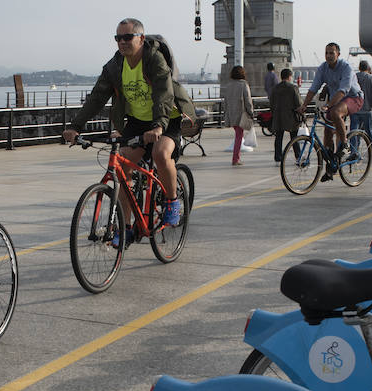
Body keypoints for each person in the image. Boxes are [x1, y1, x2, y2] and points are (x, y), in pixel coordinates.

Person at [62, 19, 195, 237]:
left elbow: (163, 93)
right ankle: (125, 226)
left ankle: (172, 202)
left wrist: (159, 126)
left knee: (160, 153)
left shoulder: (154, 60)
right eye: (117, 38)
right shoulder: (115, 66)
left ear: (141, 38)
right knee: (121, 166)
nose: (122, 42)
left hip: (167, 118)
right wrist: (75, 126)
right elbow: (96, 98)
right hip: (137, 121)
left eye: (127, 37)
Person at [302, 42, 361, 181]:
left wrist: (329, 105)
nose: (328, 56)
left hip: (353, 98)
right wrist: (303, 105)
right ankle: (331, 166)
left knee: (334, 113)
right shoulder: (323, 68)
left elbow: (343, 90)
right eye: (326, 53)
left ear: (338, 54)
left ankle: (345, 145)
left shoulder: (346, 68)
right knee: (327, 131)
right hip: (336, 101)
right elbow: (314, 87)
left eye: (331, 53)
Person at [269, 68, 302, 161]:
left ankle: (278, 156)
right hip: (290, 116)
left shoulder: (275, 88)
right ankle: (298, 155)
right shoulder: (293, 88)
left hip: (278, 116)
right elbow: (298, 102)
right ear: (289, 76)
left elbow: (271, 102)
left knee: (278, 137)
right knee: (294, 137)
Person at [226, 67, 256, 166]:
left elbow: (226, 101)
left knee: (238, 135)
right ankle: (235, 159)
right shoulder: (243, 84)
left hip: (231, 114)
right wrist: (251, 112)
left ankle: (236, 158)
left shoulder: (229, 85)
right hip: (241, 114)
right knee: (239, 136)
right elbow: (248, 100)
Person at [354, 60, 372, 151]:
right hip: (367, 108)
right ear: (367, 67)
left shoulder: (355, 77)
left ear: (359, 67)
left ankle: (354, 149)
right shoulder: (371, 77)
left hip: (355, 109)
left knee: (355, 131)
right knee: (369, 130)